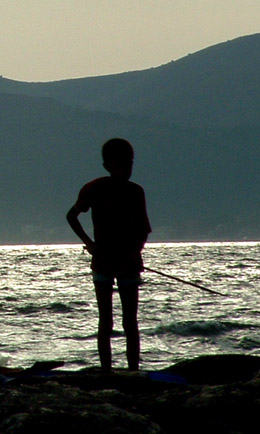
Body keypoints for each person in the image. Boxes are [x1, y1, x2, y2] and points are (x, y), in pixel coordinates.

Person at [66, 138, 151, 371]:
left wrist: (133, 253)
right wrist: (89, 243)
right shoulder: (94, 188)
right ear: (108, 166)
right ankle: (107, 371)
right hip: (105, 262)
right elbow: (71, 216)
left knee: (129, 322)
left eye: (130, 163)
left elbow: (143, 231)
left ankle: (132, 370)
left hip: (126, 263)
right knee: (107, 321)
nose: (127, 169)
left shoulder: (136, 192)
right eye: (122, 164)